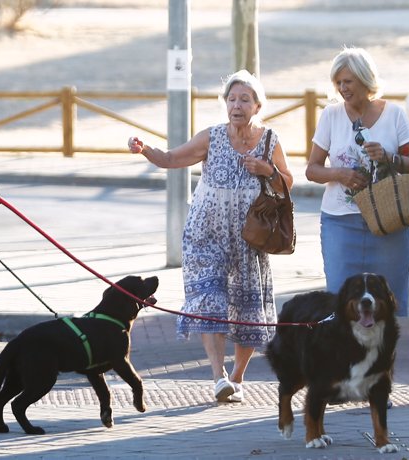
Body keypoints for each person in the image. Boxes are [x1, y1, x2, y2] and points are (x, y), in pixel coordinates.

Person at [127, 70, 293, 403]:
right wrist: (145, 149)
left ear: (257, 105)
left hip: (250, 239)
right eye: (231, 99)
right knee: (209, 302)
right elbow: (173, 158)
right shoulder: (212, 136)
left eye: (244, 99)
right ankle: (218, 376)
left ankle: (237, 377)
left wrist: (268, 171)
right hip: (206, 235)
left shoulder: (270, 140)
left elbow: (288, 182)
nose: (237, 105)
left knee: (248, 308)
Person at [305, 46, 409, 317]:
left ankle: (383, 360)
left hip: (389, 222)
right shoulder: (331, 116)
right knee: (340, 301)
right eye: (338, 83)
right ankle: (343, 360)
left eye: (348, 81)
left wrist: (389, 157)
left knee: (387, 305)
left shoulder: (394, 115)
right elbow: (312, 169)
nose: (343, 88)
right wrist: (340, 174)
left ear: (365, 80)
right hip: (340, 222)